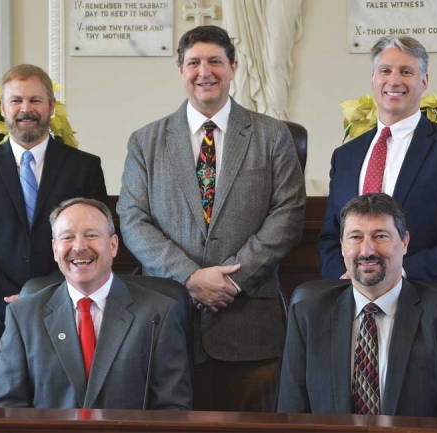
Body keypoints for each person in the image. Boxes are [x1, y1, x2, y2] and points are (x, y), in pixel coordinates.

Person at [116, 25, 306, 412]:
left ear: (233, 66)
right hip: (168, 321)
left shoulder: (272, 136)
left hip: (250, 323)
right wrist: (189, 277)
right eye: (194, 62)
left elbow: (288, 214)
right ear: (181, 70)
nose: (205, 71)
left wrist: (233, 280)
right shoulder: (146, 141)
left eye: (215, 61)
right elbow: (132, 219)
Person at [0, 64, 108, 407]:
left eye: (35, 100)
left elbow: (95, 243)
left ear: (51, 106)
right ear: (3, 109)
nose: (26, 109)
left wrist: (42, 296)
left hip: (64, 318)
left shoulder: (85, 167)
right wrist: (12, 299)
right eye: (16, 100)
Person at [278, 193, 437, 418]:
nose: (367, 250)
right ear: (342, 245)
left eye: (381, 236)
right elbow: (291, 416)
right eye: (355, 237)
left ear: (404, 242)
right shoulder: (308, 312)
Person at [318, 36, 437, 301]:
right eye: (385, 70)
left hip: (430, 307)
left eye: (406, 72)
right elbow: (331, 236)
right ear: (373, 80)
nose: (394, 80)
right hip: (355, 307)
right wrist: (346, 280)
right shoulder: (345, 156)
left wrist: (396, 275)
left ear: (423, 82)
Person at [0, 198, 191, 409]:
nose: (80, 246)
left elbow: (173, 409)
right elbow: (4, 410)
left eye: (91, 235)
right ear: (55, 250)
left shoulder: (158, 313)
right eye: (67, 237)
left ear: (113, 245)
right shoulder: (23, 316)